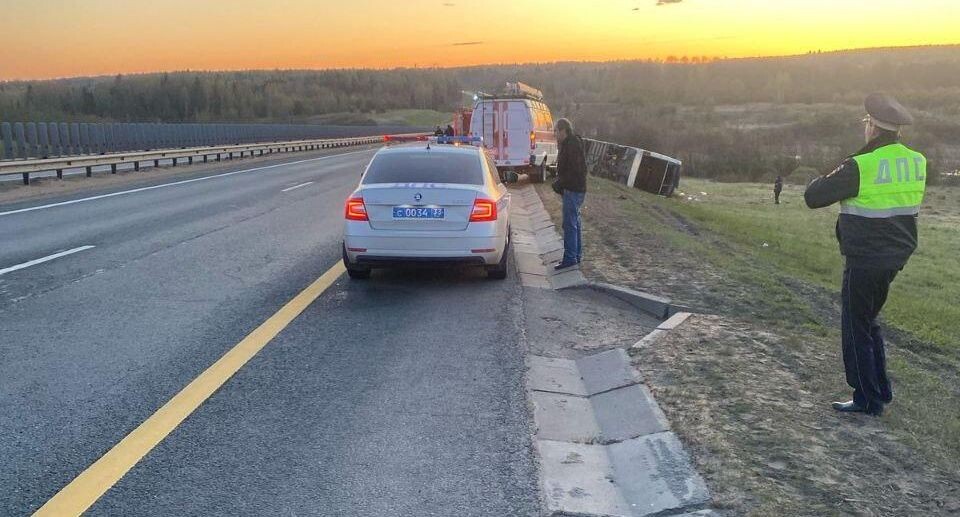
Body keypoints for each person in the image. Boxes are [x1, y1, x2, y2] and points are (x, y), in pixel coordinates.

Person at [804, 92, 926, 417]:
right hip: (895, 257)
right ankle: (880, 390)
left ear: (872, 126)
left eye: (866, 122)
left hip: (865, 258)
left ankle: (866, 398)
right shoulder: (916, 160)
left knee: (855, 326)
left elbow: (813, 196)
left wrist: (835, 170)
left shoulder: (862, 165)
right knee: (868, 321)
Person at [551, 118, 588, 271]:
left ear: (563, 131)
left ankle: (570, 257)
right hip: (576, 188)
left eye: (556, 131)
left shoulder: (571, 146)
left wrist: (560, 183)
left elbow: (574, 170)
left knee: (570, 224)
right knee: (575, 223)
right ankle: (576, 255)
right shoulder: (572, 143)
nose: (554, 134)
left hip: (573, 189)